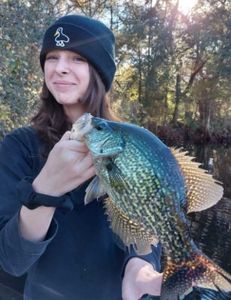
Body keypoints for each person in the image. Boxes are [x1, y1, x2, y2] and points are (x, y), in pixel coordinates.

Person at [0, 14, 163, 300]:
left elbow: (148, 225)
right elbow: (11, 260)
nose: (60, 68)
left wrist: (141, 265)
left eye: (77, 58)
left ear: (99, 72)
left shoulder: (132, 146)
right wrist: (46, 190)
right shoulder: (19, 147)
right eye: (52, 57)